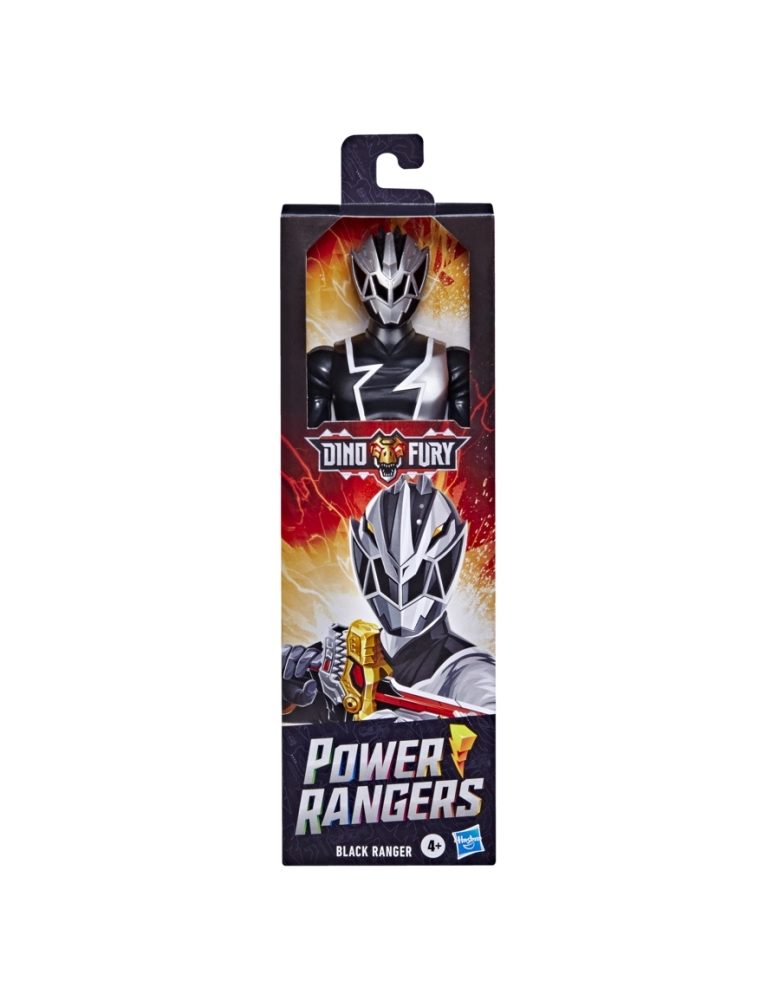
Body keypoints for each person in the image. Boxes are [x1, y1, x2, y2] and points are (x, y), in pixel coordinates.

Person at [282, 475, 495, 722]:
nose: (401, 591)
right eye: (387, 576)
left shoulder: (470, 672)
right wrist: (284, 695)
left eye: (417, 578)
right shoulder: (340, 659)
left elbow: (489, 727)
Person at [307, 228, 470, 426]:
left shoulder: (454, 365)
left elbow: (469, 440)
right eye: (381, 287)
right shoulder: (325, 365)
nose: (390, 297)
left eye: (400, 286)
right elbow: (308, 440)